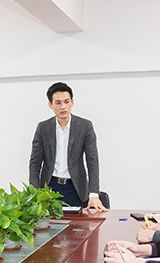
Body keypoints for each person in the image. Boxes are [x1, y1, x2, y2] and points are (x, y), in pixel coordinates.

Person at [29, 81, 106, 213]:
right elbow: (35, 163)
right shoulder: (43, 128)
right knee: (49, 224)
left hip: (76, 189)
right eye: (58, 103)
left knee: (77, 225)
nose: (63, 106)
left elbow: (92, 161)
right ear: (50, 105)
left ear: (72, 102)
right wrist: (34, 192)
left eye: (66, 101)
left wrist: (94, 194)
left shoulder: (85, 126)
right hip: (49, 189)